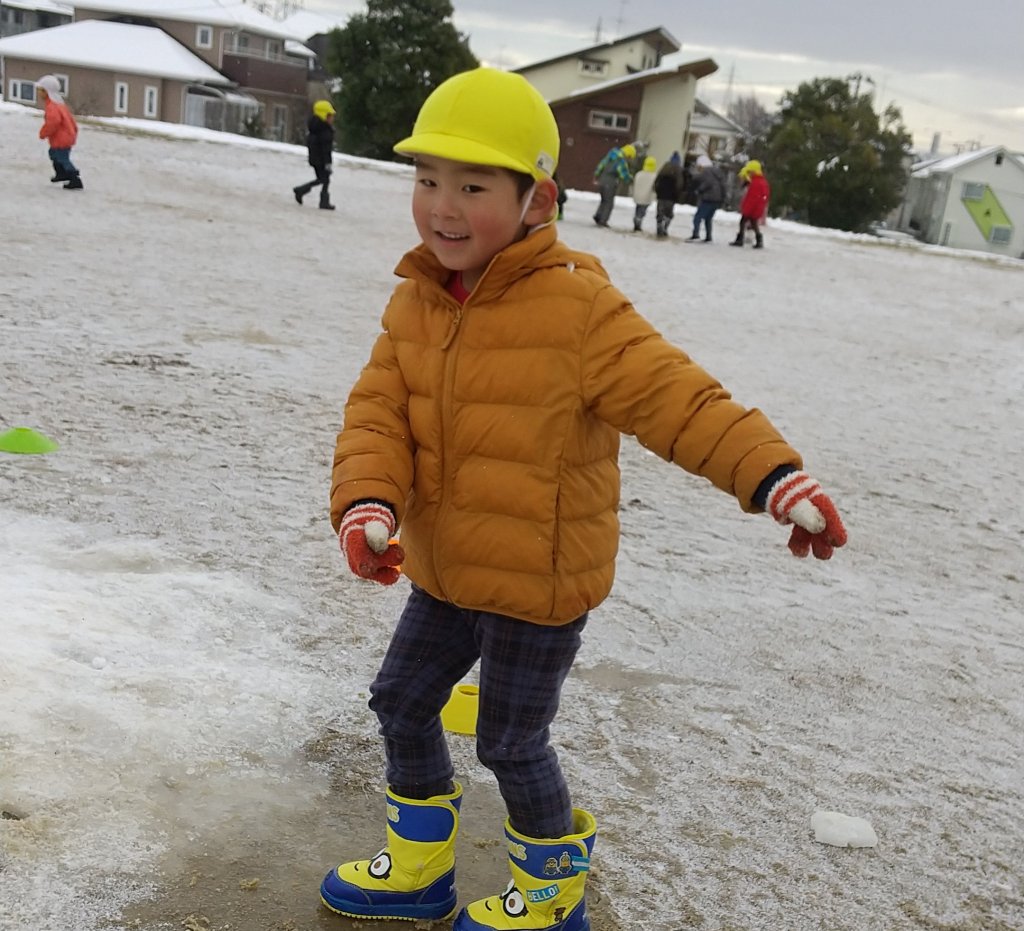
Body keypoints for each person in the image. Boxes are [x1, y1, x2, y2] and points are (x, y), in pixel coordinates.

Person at [320, 67, 847, 931]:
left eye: (473, 185)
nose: (442, 207)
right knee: (400, 702)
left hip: (539, 579)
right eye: (426, 181)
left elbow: (679, 398)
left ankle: (552, 892)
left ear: (536, 199)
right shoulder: (415, 301)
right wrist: (368, 505)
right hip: (446, 570)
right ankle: (417, 868)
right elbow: (377, 416)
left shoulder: (578, 306)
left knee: (509, 742)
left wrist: (771, 475)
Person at [36, 75, 82, 190]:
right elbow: (71, 120)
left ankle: (74, 179)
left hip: (62, 138)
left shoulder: (53, 106)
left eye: (41, 90)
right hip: (66, 136)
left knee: (62, 158)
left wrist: (44, 132)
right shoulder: (60, 105)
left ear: (47, 91)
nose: (39, 93)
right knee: (53, 154)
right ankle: (61, 173)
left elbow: (53, 122)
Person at [293, 99, 336, 210]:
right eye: (330, 115)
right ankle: (303, 191)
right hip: (321, 160)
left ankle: (321, 199)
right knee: (323, 179)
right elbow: (326, 149)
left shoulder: (315, 128)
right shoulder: (325, 131)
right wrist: (328, 163)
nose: (332, 118)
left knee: (323, 179)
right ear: (324, 115)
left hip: (315, 158)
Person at [592, 142, 634, 226]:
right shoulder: (620, 160)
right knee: (609, 203)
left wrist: (596, 175)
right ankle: (603, 220)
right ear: (628, 154)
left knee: (603, 200)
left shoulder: (610, 156)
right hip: (610, 183)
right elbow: (623, 174)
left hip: (602, 181)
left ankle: (598, 215)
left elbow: (601, 165)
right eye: (630, 157)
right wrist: (630, 179)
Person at [731, 159, 770, 248]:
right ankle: (759, 240)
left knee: (743, 222)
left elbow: (752, 198)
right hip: (757, 208)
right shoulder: (762, 182)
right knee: (754, 223)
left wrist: (746, 209)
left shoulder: (755, 183)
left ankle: (740, 239)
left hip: (752, 208)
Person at [688, 154, 726, 243]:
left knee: (697, 217)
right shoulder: (717, 172)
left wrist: (699, 190)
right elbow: (723, 185)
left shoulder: (706, 171)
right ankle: (708, 236)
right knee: (708, 218)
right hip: (717, 199)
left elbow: (708, 182)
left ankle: (695, 235)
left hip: (708, 198)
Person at [653, 152, 684, 238]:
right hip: (671, 197)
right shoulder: (678, 169)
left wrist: (657, 191)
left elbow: (656, 181)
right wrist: (677, 194)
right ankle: (665, 227)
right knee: (669, 213)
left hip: (661, 195)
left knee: (660, 212)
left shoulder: (664, 167)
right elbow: (679, 184)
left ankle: (659, 225)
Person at [631, 155, 657, 232]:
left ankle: (636, 219)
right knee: (642, 211)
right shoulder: (654, 176)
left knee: (638, 208)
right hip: (646, 197)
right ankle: (638, 221)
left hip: (638, 196)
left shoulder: (639, 174)